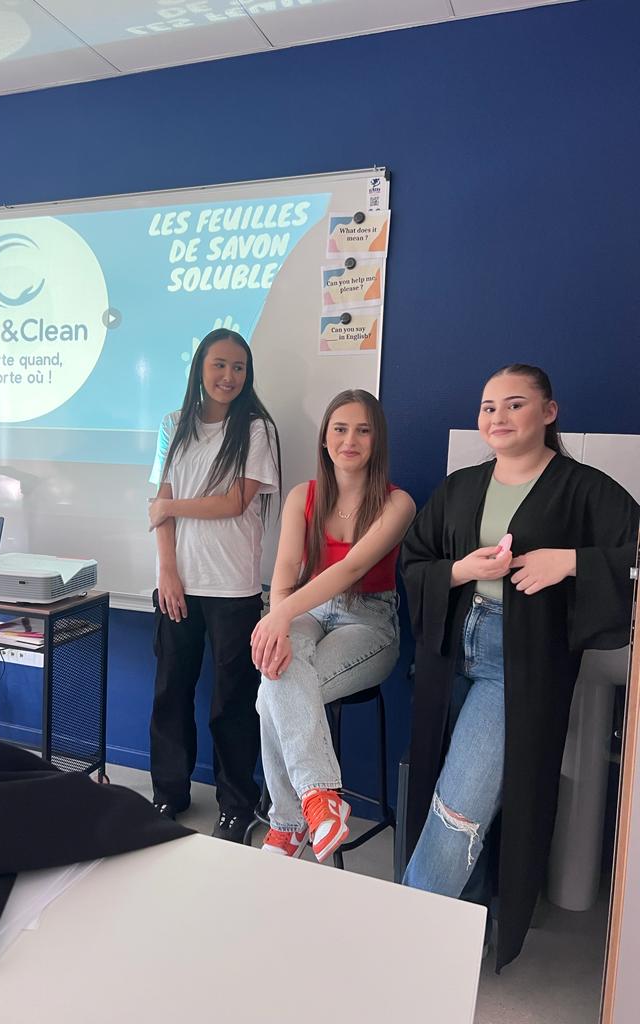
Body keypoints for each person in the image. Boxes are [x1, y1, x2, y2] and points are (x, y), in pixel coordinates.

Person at [401, 363, 639, 968]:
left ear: (549, 412)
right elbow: (417, 558)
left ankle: (405, 937)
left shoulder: (583, 488)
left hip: (517, 662)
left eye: (514, 404)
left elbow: (632, 548)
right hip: (450, 653)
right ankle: (458, 925)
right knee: (444, 790)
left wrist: (571, 561)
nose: (498, 417)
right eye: (488, 407)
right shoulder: (461, 486)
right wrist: (462, 570)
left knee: (459, 807)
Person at [251, 389, 415, 862]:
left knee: (273, 691)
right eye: (340, 429)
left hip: (369, 620)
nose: (350, 440)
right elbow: (285, 570)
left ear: (377, 441)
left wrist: (278, 616)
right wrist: (280, 622)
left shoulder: (398, 503)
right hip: (305, 610)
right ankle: (319, 801)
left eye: (363, 430)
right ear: (324, 438)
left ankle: (289, 823)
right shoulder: (302, 496)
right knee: (279, 670)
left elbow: (350, 569)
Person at [147, 327, 281, 842]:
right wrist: (167, 570)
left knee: (233, 704)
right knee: (171, 693)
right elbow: (157, 506)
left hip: (234, 588)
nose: (229, 376)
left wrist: (170, 504)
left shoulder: (256, 429)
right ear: (199, 368)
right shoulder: (172, 425)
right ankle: (168, 793)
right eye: (219, 365)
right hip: (178, 583)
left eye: (238, 367)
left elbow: (234, 502)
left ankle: (236, 804)